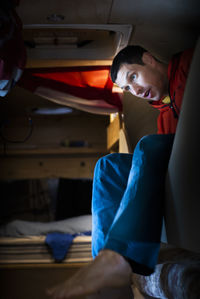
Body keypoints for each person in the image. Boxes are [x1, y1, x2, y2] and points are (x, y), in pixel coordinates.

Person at [46, 45, 194, 299]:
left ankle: (118, 258)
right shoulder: (163, 116)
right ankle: (106, 270)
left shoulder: (188, 64)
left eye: (133, 77)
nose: (135, 91)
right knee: (108, 165)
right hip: (183, 171)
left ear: (149, 59)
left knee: (148, 145)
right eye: (127, 88)